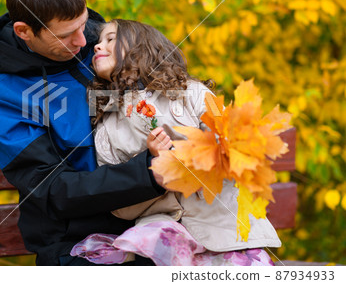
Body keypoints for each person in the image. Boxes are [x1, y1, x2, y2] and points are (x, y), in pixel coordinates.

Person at [0, 0, 166, 266]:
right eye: (65, 35)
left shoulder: (108, 42)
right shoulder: (0, 98)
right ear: (25, 32)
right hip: (77, 244)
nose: (83, 40)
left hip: (159, 219)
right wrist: (150, 172)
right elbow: (52, 191)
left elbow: (169, 97)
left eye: (83, 23)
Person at [70, 19, 281, 266]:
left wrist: (190, 153)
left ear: (143, 47)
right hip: (163, 236)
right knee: (152, 237)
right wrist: (150, 164)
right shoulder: (106, 126)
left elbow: (232, 137)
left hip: (226, 229)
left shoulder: (193, 92)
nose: (97, 46)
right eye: (97, 42)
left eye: (110, 39)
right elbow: (119, 206)